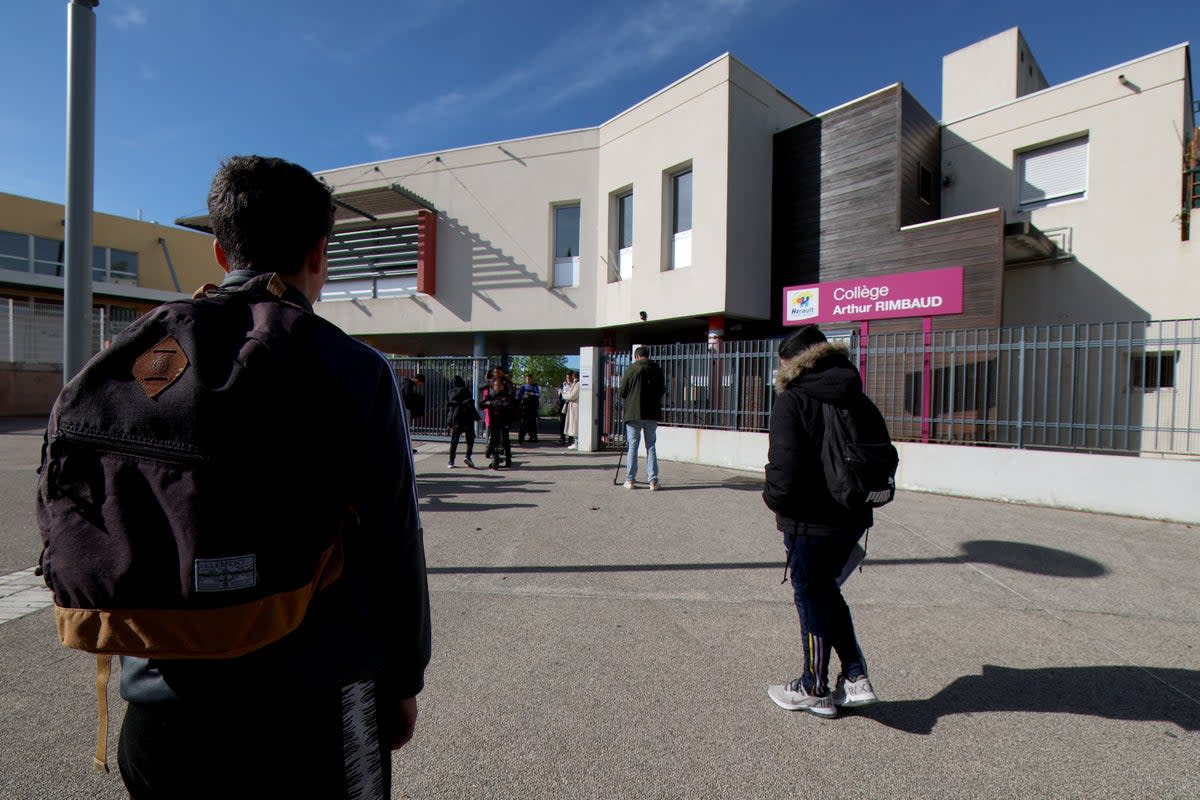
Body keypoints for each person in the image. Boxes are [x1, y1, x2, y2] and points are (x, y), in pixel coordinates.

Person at [115, 156, 431, 797]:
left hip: (160, 705)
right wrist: (401, 682)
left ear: (220, 250)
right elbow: (394, 542)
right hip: (313, 697)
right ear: (319, 253)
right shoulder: (354, 370)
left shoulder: (146, 360)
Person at [762, 324, 880, 719]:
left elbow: (784, 466)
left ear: (791, 363)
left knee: (811, 594)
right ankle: (855, 675)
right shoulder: (856, 395)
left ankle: (814, 686)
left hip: (809, 520)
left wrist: (774, 500)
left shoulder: (792, 400)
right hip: (852, 515)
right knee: (825, 591)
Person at [618, 347, 665, 489]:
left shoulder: (631, 369)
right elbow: (662, 390)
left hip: (633, 413)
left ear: (636, 357)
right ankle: (653, 481)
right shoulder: (657, 369)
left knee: (633, 445)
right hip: (651, 413)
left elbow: (622, 391)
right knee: (651, 446)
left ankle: (630, 480)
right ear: (647, 356)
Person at [479, 375, 515, 469]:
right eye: (496, 385)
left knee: (505, 441)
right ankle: (495, 458)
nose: (497, 387)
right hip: (494, 422)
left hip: (504, 421)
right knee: (494, 440)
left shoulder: (506, 396)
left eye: (499, 385)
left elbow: (509, 404)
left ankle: (508, 459)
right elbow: (482, 405)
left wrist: (502, 404)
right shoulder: (491, 396)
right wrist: (486, 403)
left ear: (502, 386)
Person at [446, 375, 478, 468]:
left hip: (456, 418)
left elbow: (450, 407)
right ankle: (468, 456)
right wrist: (476, 416)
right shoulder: (465, 391)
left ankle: (451, 461)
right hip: (467, 417)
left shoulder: (450, 392)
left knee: (454, 440)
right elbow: (470, 404)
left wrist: (449, 421)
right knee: (470, 439)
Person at [516, 373, 541, 443]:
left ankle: (533, 436)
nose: (528, 380)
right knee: (524, 422)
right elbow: (519, 395)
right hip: (525, 406)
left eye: (529, 379)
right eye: (527, 379)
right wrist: (524, 395)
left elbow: (538, 394)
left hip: (532, 406)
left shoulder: (535, 386)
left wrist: (532, 394)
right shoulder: (523, 387)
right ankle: (521, 437)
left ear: (532, 379)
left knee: (532, 422)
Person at [562, 371, 580, 449]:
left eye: (573, 377)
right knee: (573, 425)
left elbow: (571, 396)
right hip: (573, 407)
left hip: (575, 407)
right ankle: (575, 442)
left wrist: (563, 394)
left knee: (575, 425)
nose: (573, 379)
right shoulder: (575, 384)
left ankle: (576, 443)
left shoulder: (578, 384)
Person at [557, 372, 572, 445]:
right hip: (563, 404)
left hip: (571, 404)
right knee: (562, 421)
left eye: (569, 378)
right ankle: (562, 437)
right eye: (567, 378)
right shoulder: (563, 384)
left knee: (570, 421)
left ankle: (570, 437)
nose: (568, 379)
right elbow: (560, 394)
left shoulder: (574, 385)